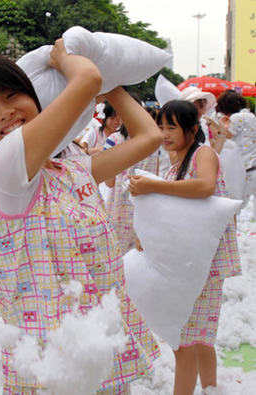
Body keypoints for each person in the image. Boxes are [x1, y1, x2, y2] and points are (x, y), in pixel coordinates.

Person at [0, 41, 162, 393]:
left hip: (96, 345)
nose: (4, 112)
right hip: (51, 364)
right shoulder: (2, 170)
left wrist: (113, 83)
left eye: (11, 94)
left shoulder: (70, 171)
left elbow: (149, 136)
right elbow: (86, 79)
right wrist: (64, 59)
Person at [129, 100, 241, 395]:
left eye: (172, 128)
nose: (164, 134)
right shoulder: (177, 164)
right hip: (193, 262)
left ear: (192, 130)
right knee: (200, 338)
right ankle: (211, 389)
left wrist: (153, 187)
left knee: (185, 342)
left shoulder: (203, 153)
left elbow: (205, 187)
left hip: (202, 264)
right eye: (161, 127)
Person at [103, 103, 160, 254]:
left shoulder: (113, 140)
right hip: (146, 205)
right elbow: (156, 173)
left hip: (119, 207)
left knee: (117, 254)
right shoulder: (154, 142)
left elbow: (109, 182)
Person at [214, 90, 256, 212]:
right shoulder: (252, 116)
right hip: (253, 165)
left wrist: (213, 124)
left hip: (245, 168)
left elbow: (225, 136)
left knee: (237, 205)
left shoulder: (237, 118)